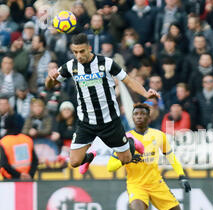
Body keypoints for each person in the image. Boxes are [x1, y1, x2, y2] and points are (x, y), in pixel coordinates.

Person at [45, 33, 160, 174]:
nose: (79, 56)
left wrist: (145, 93)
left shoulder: (106, 63)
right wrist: (50, 77)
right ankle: (91, 156)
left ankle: (130, 142)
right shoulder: (70, 66)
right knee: (74, 162)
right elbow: (50, 85)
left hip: (110, 121)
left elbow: (128, 80)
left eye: (82, 51)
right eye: (75, 52)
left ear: (89, 48)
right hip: (86, 122)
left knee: (126, 159)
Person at [106, 103, 201, 210]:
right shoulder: (124, 138)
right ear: (132, 117)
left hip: (156, 184)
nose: (139, 117)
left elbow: (171, 156)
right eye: (136, 114)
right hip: (136, 185)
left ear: (149, 117)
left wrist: (182, 176)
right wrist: (125, 159)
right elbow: (110, 166)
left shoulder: (159, 136)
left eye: (143, 114)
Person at [0, 116, 38, 180]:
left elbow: (4, 163)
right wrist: (30, 174)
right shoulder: (27, 139)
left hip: (10, 179)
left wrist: (19, 175)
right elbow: (35, 160)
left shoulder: (3, 142)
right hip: (28, 178)